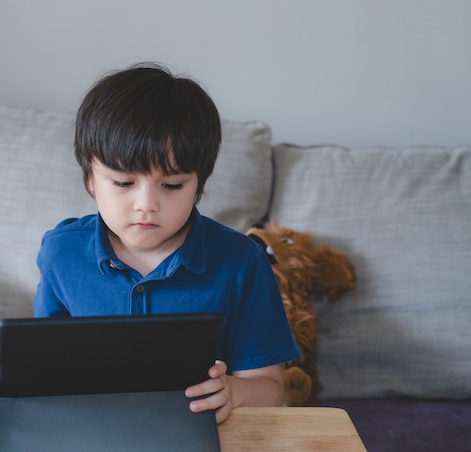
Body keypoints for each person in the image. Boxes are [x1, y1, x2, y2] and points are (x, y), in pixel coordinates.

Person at [33, 63, 300, 423]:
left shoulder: (241, 261)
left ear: (198, 185)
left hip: (195, 431)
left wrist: (234, 392)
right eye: (124, 183)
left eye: (172, 185)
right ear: (90, 179)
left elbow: (270, 388)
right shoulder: (60, 253)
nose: (146, 204)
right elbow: (44, 367)